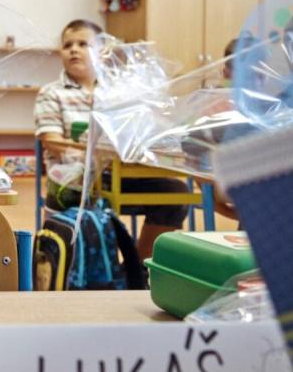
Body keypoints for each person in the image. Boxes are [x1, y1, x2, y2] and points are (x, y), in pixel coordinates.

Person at [35, 18, 188, 260]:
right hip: (76, 180)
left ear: (102, 51)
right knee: (76, 197)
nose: (74, 49)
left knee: (175, 192)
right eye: (67, 45)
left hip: (122, 173)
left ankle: (139, 266)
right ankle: (94, 267)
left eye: (83, 44)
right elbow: (52, 141)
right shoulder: (52, 92)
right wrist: (97, 150)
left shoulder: (120, 91)